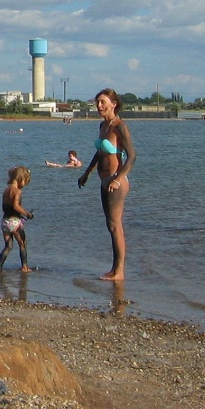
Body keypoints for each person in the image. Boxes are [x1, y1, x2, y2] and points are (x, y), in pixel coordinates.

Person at [78, 88, 136, 281]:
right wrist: (86, 173)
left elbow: (132, 156)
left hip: (115, 181)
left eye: (103, 102)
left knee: (115, 225)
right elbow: (100, 153)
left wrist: (118, 178)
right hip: (104, 180)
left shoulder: (120, 126)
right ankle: (114, 268)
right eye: (97, 103)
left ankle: (119, 272)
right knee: (110, 225)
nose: (99, 106)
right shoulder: (103, 126)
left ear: (114, 103)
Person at [0, 166, 33, 273]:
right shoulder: (17, 191)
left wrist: (18, 215)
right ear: (21, 180)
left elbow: (5, 208)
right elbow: (16, 206)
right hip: (14, 223)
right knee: (22, 244)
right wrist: (27, 213)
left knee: (8, 246)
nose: (24, 186)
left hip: (4, 222)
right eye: (25, 182)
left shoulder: (6, 190)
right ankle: (25, 267)